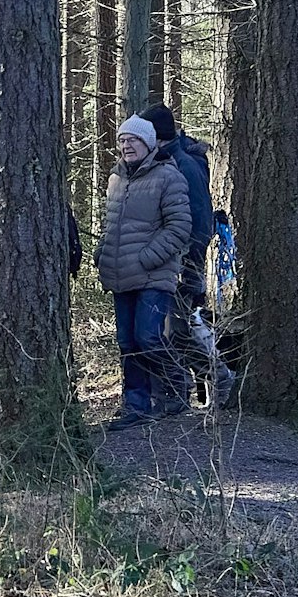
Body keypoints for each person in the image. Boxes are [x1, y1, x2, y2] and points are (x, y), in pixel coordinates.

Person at [96, 114, 192, 430]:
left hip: (154, 275)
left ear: (148, 143)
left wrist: (148, 258)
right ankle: (136, 406)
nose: (127, 145)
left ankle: (178, 385)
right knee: (127, 342)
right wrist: (102, 254)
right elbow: (112, 226)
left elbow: (179, 227)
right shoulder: (116, 179)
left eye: (133, 140)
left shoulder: (168, 176)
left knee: (148, 337)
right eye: (122, 140)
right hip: (120, 274)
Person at [140, 103, 235, 404]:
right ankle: (173, 394)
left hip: (182, 265)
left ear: (157, 136)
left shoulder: (185, 167)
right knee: (164, 330)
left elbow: (199, 221)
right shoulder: (163, 162)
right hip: (161, 263)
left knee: (176, 332)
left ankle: (219, 377)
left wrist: (189, 267)